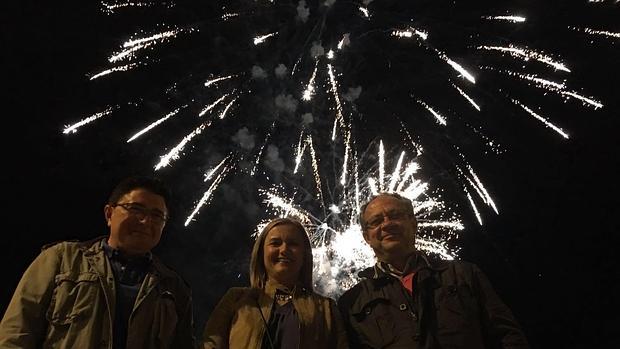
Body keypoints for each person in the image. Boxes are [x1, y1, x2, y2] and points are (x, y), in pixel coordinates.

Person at [0, 175, 195, 349]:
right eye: (136, 209)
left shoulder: (174, 287)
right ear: (109, 214)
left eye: (157, 215)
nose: (146, 221)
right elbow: (17, 332)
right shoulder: (62, 259)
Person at [338, 193, 529, 348]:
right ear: (366, 237)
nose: (387, 224)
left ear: (413, 223)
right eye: (376, 221)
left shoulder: (463, 274)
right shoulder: (352, 303)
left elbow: (508, 336)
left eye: (395, 215)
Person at [202, 217, 348, 349]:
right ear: (261, 253)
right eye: (275, 243)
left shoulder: (326, 309)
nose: (284, 249)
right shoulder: (236, 300)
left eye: (293, 244)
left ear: (304, 255)